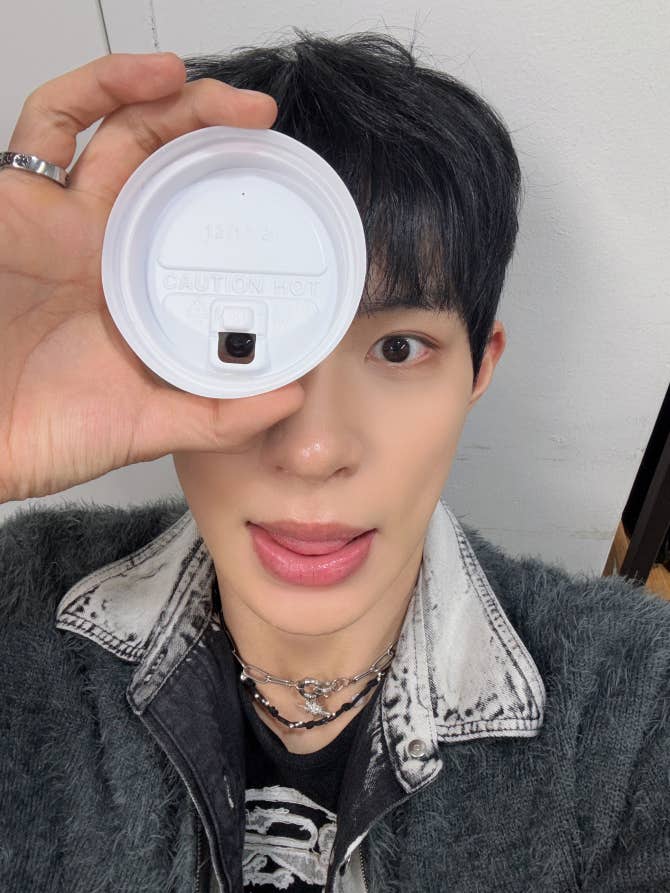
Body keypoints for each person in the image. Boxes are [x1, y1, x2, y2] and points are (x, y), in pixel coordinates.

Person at [0, 29, 668, 893]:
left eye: (397, 348)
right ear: (152, 341)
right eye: (244, 343)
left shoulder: (634, 711)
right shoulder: (20, 605)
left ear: (479, 368)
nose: (312, 450)